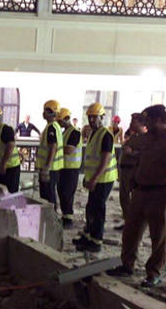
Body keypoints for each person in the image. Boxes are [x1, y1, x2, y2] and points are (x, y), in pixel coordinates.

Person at [107, 105, 166, 288]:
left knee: (158, 236)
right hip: (140, 191)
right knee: (131, 231)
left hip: (161, 193)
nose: (146, 124)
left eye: (149, 121)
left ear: (159, 119)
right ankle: (127, 264)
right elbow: (130, 146)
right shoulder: (146, 138)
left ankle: (153, 272)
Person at [72, 102, 117, 253]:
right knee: (90, 208)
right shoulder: (94, 133)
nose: (91, 120)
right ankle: (87, 236)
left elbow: (105, 159)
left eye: (94, 117)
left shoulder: (106, 135)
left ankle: (96, 241)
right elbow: (92, 159)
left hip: (103, 179)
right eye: (90, 117)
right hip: (96, 179)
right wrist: (88, 178)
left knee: (97, 210)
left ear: (102, 117)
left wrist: (94, 179)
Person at [115, 113, 146, 231]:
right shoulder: (133, 137)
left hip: (134, 170)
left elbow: (145, 155)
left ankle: (134, 223)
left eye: (134, 121)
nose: (131, 124)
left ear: (141, 124)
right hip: (125, 169)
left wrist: (132, 153)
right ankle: (127, 220)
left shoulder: (145, 139)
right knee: (124, 198)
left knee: (133, 199)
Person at [57, 108, 82, 229]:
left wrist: (55, 148)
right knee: (62, 193)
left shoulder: (75, 132)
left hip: (71, 169)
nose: (59, 123)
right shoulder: (65, 132)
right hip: (64, 167)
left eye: (60, 121)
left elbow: (69, 150)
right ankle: (65, 216)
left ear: (67, 119)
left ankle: (68, 219)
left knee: (67, 193)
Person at [36, 100, 64, 206]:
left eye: (47, 111)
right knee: (49, 195)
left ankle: (50, 218)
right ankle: (50, 218)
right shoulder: (54, 126)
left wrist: (46, 168)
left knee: (47, 196)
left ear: (53, 113)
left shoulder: (52, 127)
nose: (44, 113)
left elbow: (53, 147)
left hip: (50, 169)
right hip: (53, 168)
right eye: (44, 110)